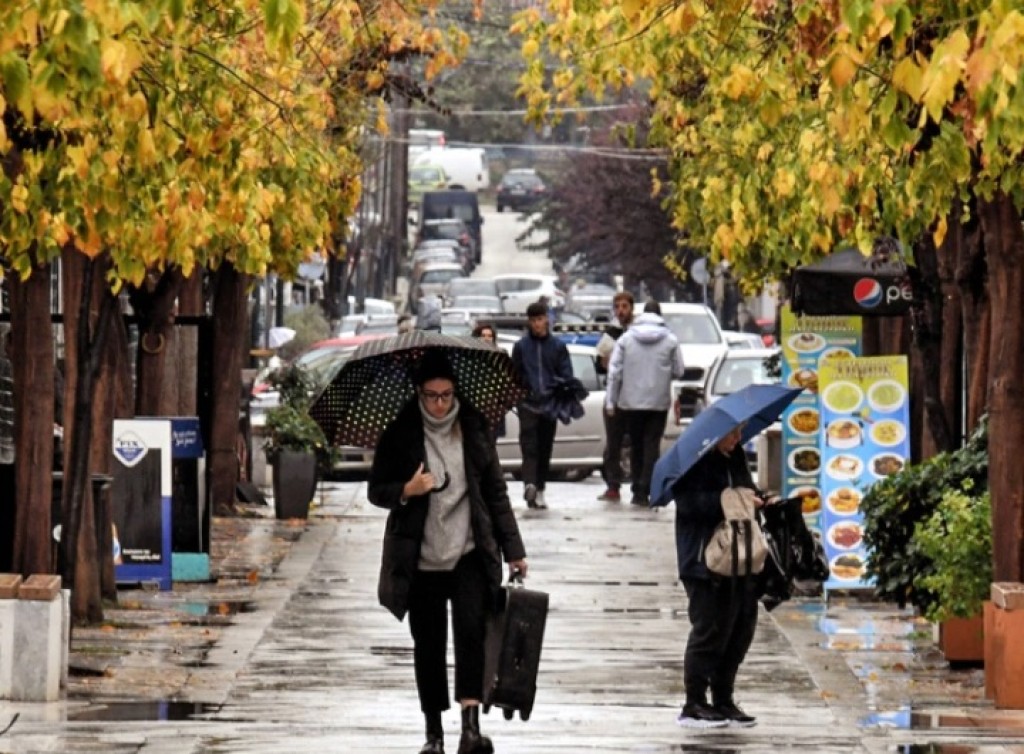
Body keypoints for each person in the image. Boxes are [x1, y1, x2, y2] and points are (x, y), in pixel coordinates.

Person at [368, 351, 528, 754]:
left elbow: (495, 492)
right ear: (418, 394)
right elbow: (376, 490)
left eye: (446, 395)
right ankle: (433, 734)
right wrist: (407, 491)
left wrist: (514, 550)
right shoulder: (400, 432)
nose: (440, 403)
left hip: (469, 553)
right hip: (419, 558)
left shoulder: (473, 427)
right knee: (429, 644)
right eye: (431, 396)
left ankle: (470, 728)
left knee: (471, 635)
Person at [671, 423, 763, 729]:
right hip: (703, 559)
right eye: (732, 433)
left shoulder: (735, 458)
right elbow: (688, 504)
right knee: (709, 629)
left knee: (739, 628)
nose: (738, 439)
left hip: (739, 558)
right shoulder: (694, 461)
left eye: (740, 433)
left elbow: (747, 493)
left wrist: (756, 499)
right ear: (714, 435)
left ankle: (724, 699)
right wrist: (728, 500)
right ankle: (694, 702)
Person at [605, 301, 684, 506]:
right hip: (658, 402)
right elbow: (679, 370)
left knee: (636, 444)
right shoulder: (670, 340)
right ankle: (646, 487)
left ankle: (636, 489)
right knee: (652, 445)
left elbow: (614, 372)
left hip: (631, 402)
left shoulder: (626, 339)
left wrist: (611, 401)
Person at [511, 300, 573, 509]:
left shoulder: (557, 346)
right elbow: (515, 374)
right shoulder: (521, 347)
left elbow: (565, 374)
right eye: (533, 320)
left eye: (540, 319)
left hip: (549, 405)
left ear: (546, 319)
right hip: (528, 405)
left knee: (545, 448)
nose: (537, 324)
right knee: (529, 448)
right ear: (529, 322)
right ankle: (529, 484)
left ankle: (540, 488)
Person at [594, 291, 634, 502]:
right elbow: (600, 364)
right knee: (613, 444)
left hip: (636, 397)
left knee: (637, 443)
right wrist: (606, 361)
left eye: (624, 306)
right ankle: (613, 485)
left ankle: (640, 487)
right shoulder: (612, 332)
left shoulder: (638, 332)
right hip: (614, 397)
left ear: (631, 308)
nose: (621, 310)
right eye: (617, 306)